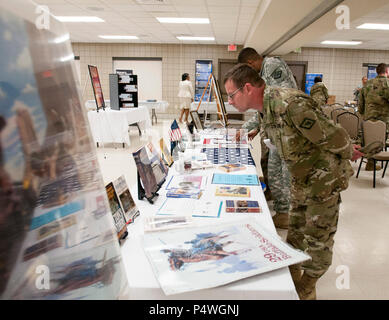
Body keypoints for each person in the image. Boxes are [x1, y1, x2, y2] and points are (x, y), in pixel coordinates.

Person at [224, 63, 363, 300]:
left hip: (323, 181)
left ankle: (308, 285)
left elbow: (333, 134)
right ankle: (292, 272)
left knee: (319, 237)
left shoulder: (291, 105)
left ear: (247, 88)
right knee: (296, 230)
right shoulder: (265, 109)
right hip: (301, 177)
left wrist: (349, 151)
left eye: (231, 95)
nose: (229, 101)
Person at [237, 47, 298, 229]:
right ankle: (280, 206)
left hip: (287, 129)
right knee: (273, 170)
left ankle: (284, 213)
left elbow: (275, 102)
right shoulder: (264, 72)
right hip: (277, 129)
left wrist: (249, 126)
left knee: (282, 172)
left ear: (250, 63)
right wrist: (258, 126)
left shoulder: (271, 65)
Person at [358, 63, 389, 171]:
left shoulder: (367, 84)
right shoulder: (387, 83)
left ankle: (370, 162)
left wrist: (362, 113)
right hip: (383, 119)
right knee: (380, 140)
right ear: (387, 71)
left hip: (369, 117)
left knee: (370, 139)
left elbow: (360, 101)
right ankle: (373, 162)